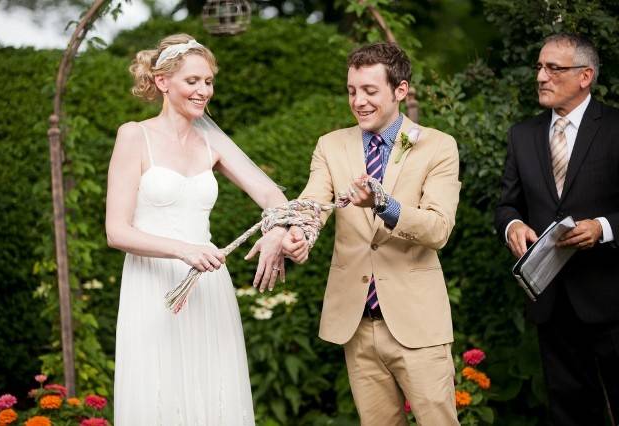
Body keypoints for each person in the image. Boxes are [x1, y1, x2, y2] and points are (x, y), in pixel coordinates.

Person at [105, 34, 287, 425]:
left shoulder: (212, 140)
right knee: (158, 393)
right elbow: (117, 231)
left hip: (208, 288)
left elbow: (273, 197)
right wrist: (183, 250)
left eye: (208, 81)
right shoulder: (134, 135)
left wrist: (274, 232)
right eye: (193, 81)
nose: (203, 90)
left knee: (213, 395)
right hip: (152, 287)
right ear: (162, 81)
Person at [283, 42, 461, 425]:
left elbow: (439, 228)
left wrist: (385, 204)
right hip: (358, 323)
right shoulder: (330, 145)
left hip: (418, 323)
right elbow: (313, 201)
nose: (358, 101)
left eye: (369, 91)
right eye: (351, 91)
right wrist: (298, 233)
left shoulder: (439, 146)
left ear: (400, 91)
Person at [494, 33, 619, 425]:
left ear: (586, 76)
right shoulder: (523, 134)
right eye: (539, 67)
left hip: (612, 298)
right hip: (551, 302)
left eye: (554, 68)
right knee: (569, 413)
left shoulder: (616, 127)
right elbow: (507, 204)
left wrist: (603, 228)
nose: (541, 77)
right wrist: (512, 225)